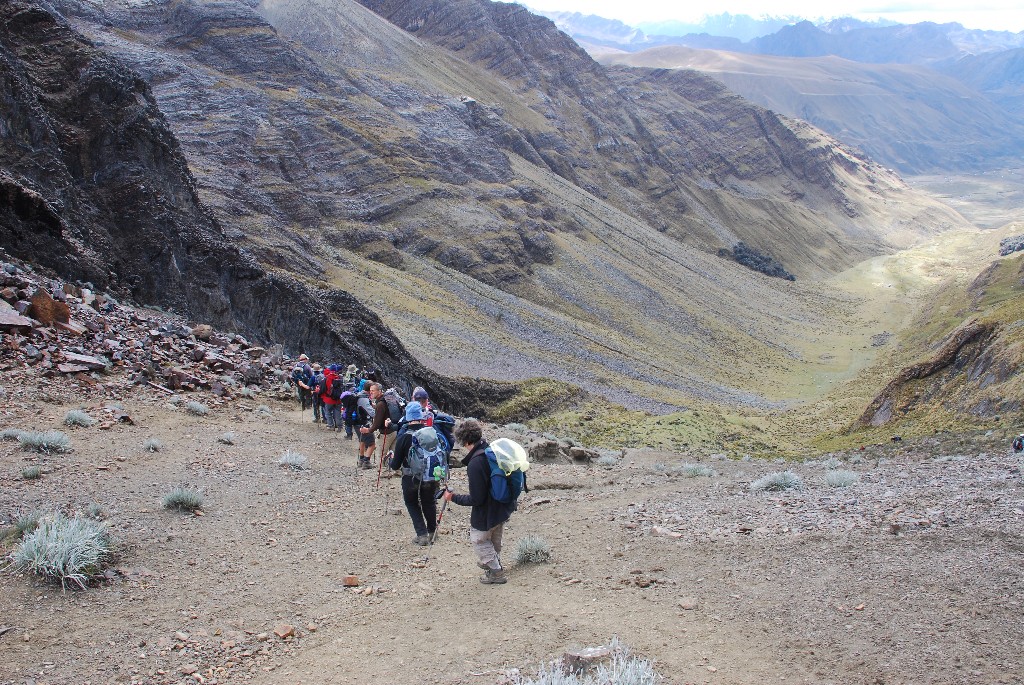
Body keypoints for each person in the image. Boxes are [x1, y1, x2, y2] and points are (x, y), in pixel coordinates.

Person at [443, 418, 517, 585]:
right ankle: (494, 563)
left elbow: (477, 499)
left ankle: (495, 572)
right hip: (502, 506)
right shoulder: (490, 450)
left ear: (465, 441)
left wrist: (453, 497)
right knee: (494, 537)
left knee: (479, 539)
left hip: (487, 512)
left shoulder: (476, 463)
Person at [388, 402, 442, 545]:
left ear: (408, 417)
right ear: (421, 416)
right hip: (430, 475)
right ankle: (432, 532)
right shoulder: (431, 433)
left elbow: (395, 465)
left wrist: (391, 458)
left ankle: (422, 535)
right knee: (429, 502)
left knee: (411, 503)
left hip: (410, 477)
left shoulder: (404, 437)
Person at [359, 383, 389, 469]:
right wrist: (369, 430)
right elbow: (374, 417)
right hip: (367, 423)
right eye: (370, 390)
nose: (371, 392)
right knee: (372, 444)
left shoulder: (359, 397)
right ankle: (366, 462)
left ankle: (362, 460)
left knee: (363, 441)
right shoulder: (378, 402)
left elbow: (376, 421)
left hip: (359, 422)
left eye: (373, 391)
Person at [321, 364, 341, 431]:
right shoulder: (339, 377)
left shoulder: (327, 378)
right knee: (338, 412)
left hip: (329, 399)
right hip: (338, 398)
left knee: (328, 412)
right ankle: (339, 426)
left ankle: (331, 426)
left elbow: (325, 388)